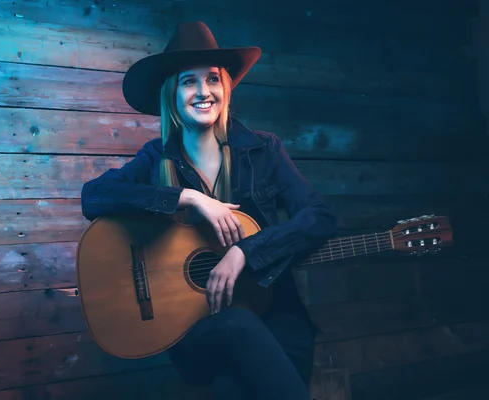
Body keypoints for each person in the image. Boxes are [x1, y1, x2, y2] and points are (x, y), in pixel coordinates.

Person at [81, 21, 337, 400]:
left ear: (226, 88)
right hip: (195, 329)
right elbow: (95, 197)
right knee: (234, 325)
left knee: (234, 387)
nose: (204, 92)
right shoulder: (157, 158)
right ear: (172, 93)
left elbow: (320, 216)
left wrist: (244, 252)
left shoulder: (264, 151)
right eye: (189, 81)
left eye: (213, 79)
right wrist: (189, 199)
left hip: (277, 317)